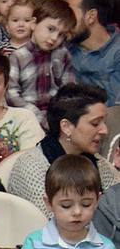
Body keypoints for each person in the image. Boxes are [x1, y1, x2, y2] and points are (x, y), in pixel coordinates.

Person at [8, 84, 118, 215]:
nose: (104, 130)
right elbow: (49, 222)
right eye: (95, 123)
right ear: (66, 127)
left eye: (104, 122)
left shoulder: (100, 164)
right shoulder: (32, 168)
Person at [7, 0, 78, 126]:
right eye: (51, 29)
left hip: (56, 116)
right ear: (33, 24)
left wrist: (59, 114)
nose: (54, 38)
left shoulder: (63, 54)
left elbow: (68, 89)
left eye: (62, 34)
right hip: (26, 117)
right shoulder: (17, 56)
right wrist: (37, 116)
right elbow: (12, 95)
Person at [67, 0, 120, 110]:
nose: (64, 20)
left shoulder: (116, 52)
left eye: (69, 14)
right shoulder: (65, 48)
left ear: (91, 16)